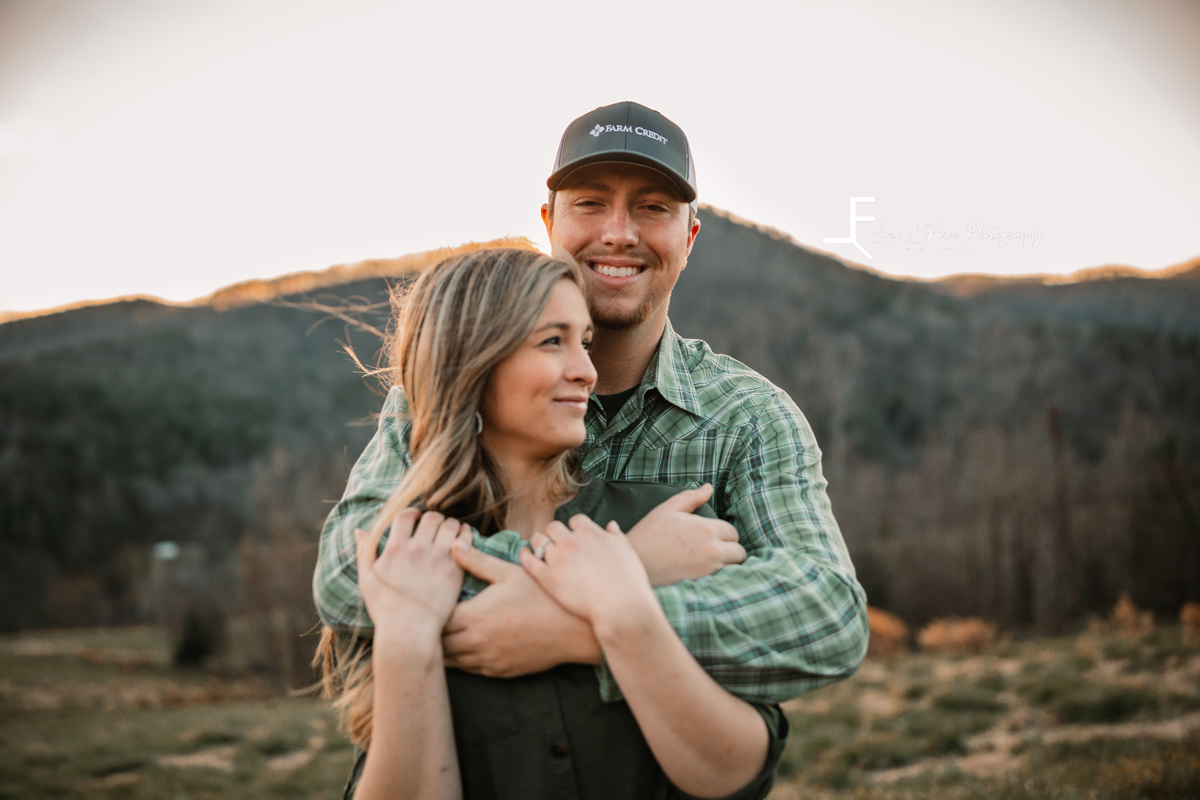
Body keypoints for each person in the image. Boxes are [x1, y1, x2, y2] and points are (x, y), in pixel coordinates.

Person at [315, 100, 866, 713]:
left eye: (652, 207)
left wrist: (582, 627)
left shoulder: (747, 418)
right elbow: (348, 575)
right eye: (590, 202)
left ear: (690, 236)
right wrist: (632, 566)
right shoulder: (451, 387)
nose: (619, 232)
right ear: (549, 220)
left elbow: (826, 613)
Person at [317, 248, 788, 799]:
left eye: (584, 342)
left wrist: (624, 604)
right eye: (552, 341)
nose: (587, 371)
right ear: (469, 363)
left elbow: (734, 773)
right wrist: (407, 641)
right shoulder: (407, 562)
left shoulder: (674, 528)